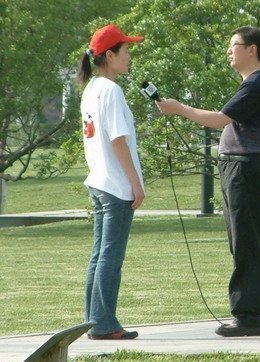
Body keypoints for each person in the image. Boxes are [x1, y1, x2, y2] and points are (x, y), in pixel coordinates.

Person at [157, 26, 260, 337]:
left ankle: (248, 316)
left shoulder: (256, 83)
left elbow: (219, 119)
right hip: (245, 168)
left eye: (234, 44)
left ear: (253, 49)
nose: (229, 51)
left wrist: (179, 109)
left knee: (245, 242)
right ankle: (258, 313)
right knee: (252, 240)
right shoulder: (255, 83)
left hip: (244, 169)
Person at [77, 24, 145, 339]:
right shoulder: (111, 90)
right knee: (110, 257)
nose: (129, 56)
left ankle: (93, 321)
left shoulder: (91, 89)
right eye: (126, 50)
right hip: (116, 185)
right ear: (109, 55)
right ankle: (104, 325)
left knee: (99, 254)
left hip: (98, 182)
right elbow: (118, 140)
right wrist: (136, 183)